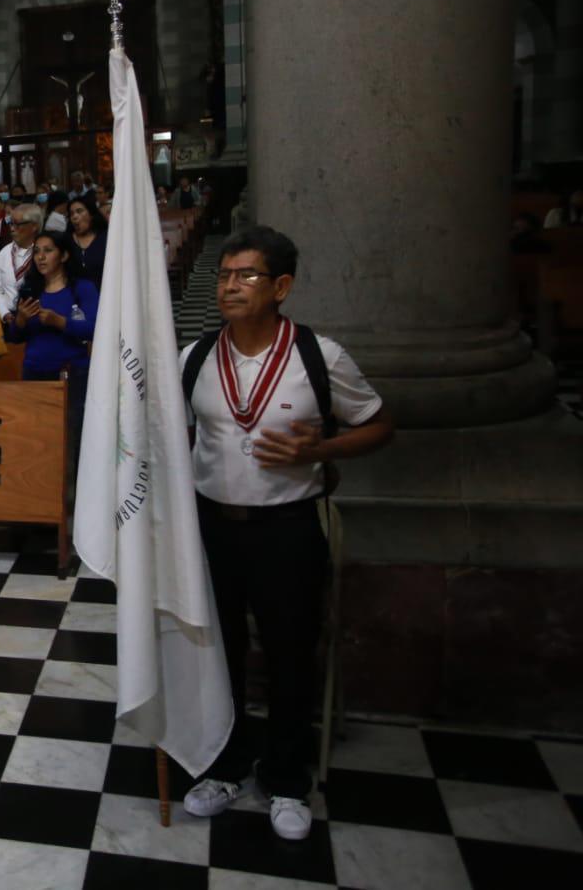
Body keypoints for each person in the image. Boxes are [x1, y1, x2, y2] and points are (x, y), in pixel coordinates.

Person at [180, 226, 393, 842]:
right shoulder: (194, 357)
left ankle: (286, 778)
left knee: (290, 654)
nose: (229, 286)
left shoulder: (316, 357)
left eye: (245, 275)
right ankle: (224, 765)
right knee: (215, 655)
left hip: (287, 529)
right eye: (222, 275)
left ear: (281, 286)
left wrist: (322, 446)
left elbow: (380, 425)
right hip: (213, 528)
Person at [5, 230, 98, 446]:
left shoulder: (82, 288)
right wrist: (20, 320)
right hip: (34, 372)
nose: (40, 257)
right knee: (37, 436)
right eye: (36, 251)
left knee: (71, 436)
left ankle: (74, 480)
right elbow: (14, 338)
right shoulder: (30, 289)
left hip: (72, 373)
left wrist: (61, 323)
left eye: (48, 251)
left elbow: (94, 328)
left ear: (64, 256)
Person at [0, 203, 44, 318]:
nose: (12, 229)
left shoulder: (44, 253)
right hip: (10, 319)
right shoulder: (5, 252)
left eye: (17, 224)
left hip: (39, 317)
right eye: (11, 223)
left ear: (34, 226)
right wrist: (5, 314)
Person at [66, 195, 109, 286]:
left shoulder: (105, 238)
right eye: (71, 213)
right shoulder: (66, 240)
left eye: (79, 211)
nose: (75, 216)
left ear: (91, 214)